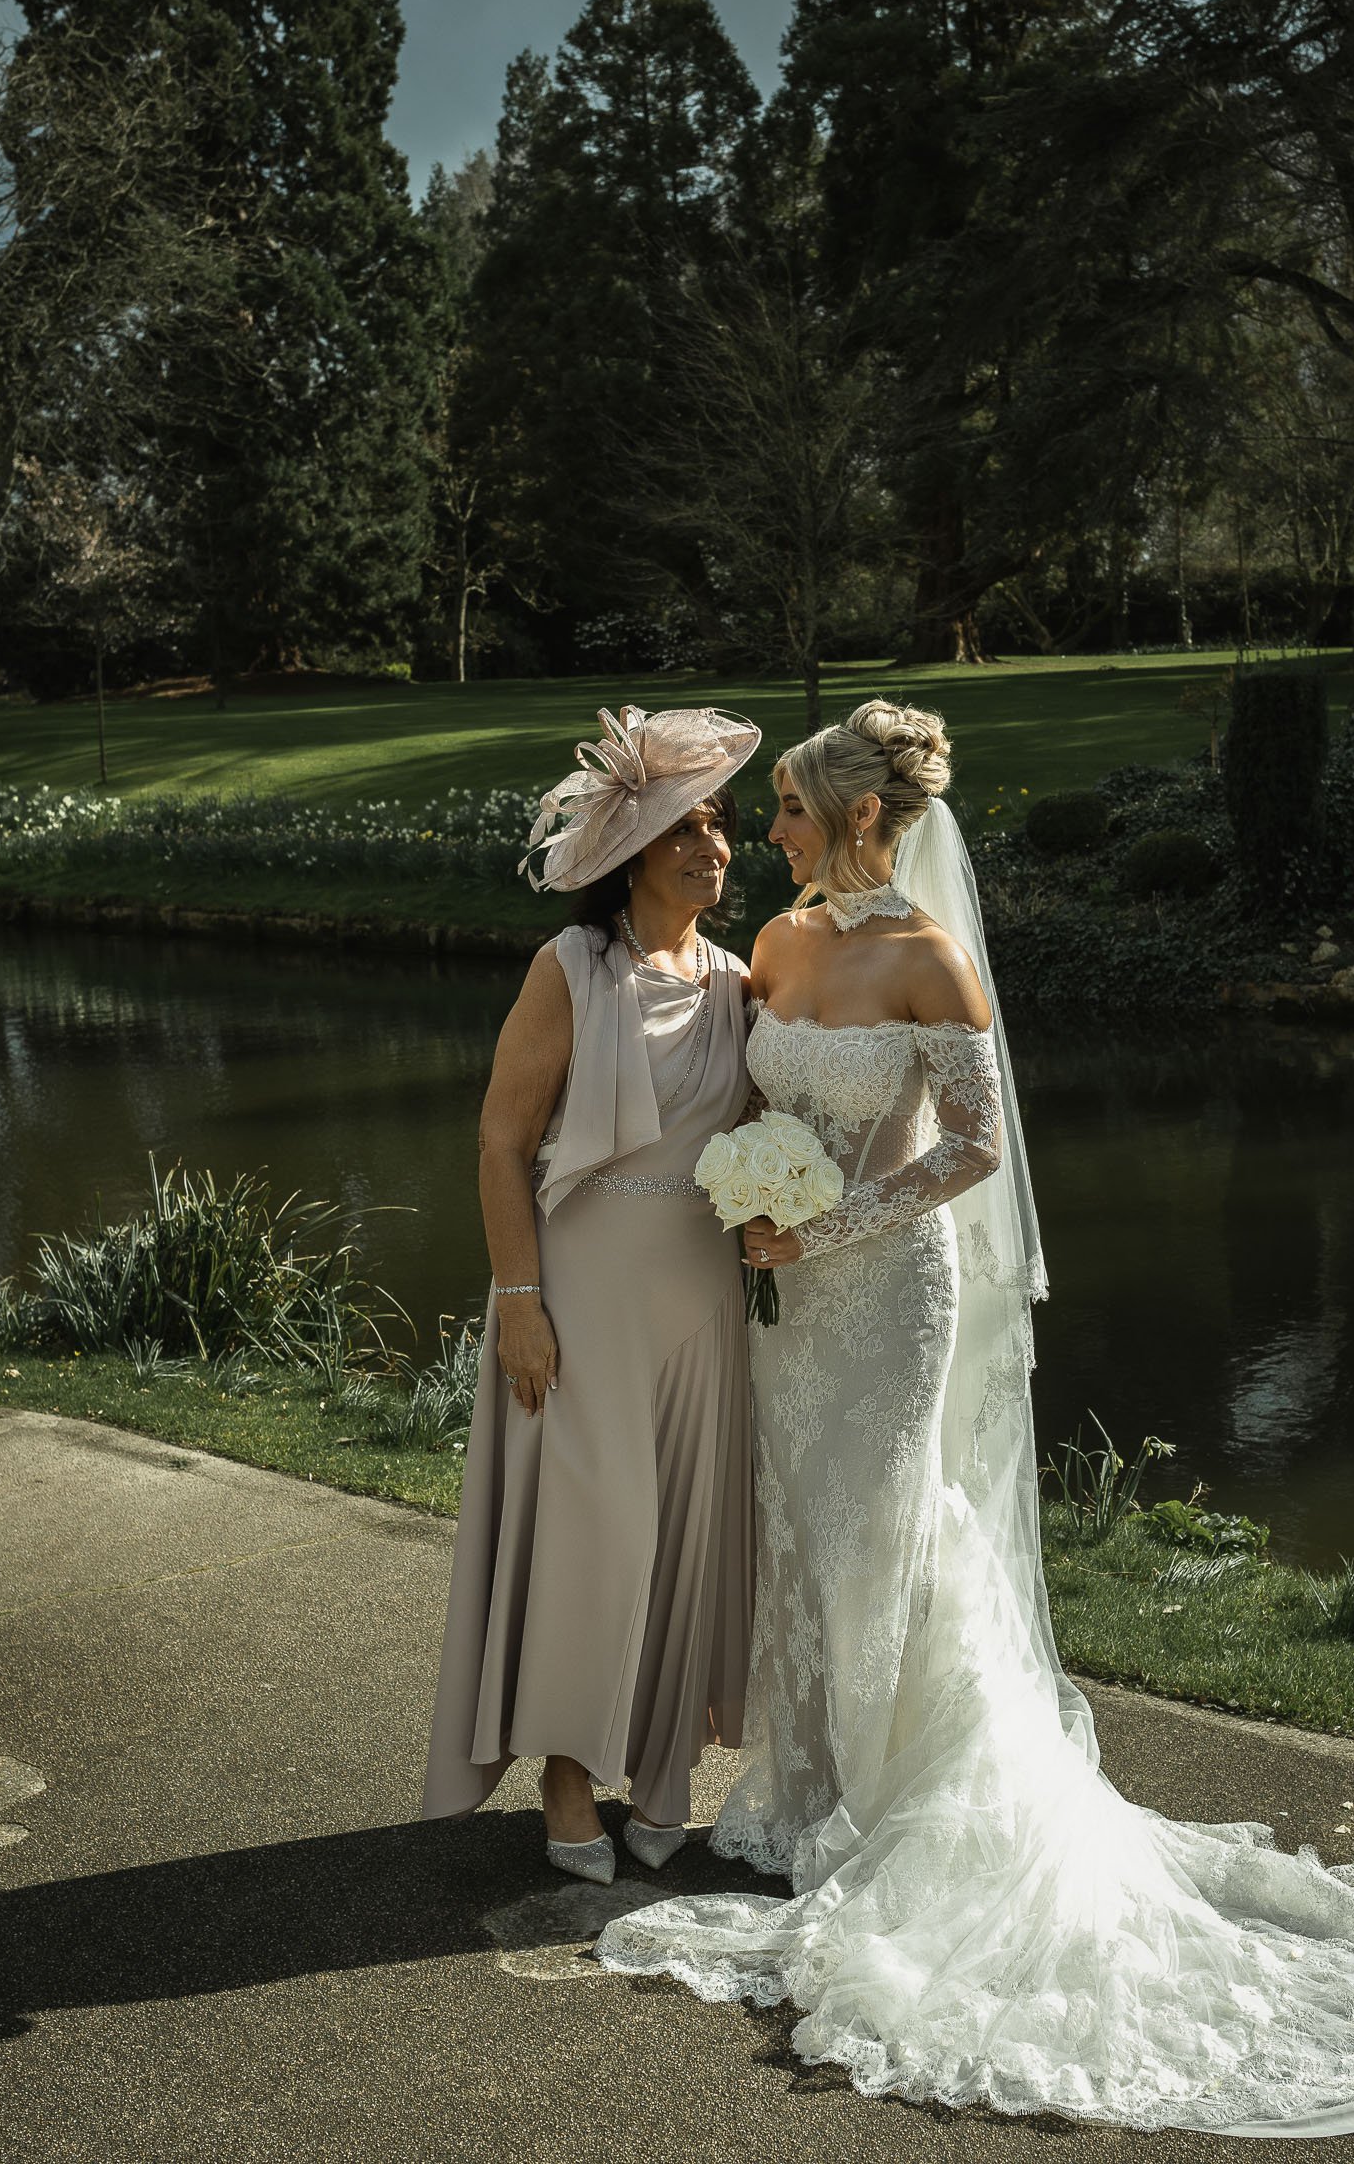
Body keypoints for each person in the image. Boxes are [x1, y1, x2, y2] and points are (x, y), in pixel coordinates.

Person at [599, 699, 1354, 2136]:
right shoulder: (778, 939)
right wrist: (737, 1200)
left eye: (792, 810)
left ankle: (892, 1801)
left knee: (880, 1522)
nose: (771, 832)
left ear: (863, 817)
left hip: (888, 1294)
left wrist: (822, 1228)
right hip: (786, 1296)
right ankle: (803, 1791)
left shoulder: (929, 958)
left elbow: (973, 1147)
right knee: (798, 1519)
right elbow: (740, 1091)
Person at [422, 704, 761, 1887]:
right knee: (593, 1536)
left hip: (704, 1300)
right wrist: (519, 1298)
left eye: (718, 826)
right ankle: (567, 1778)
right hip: (579, 1294)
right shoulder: (569, 967)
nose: (712, 847)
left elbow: (765, 1140)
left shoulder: (740, 980)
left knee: (684, 1536)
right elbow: (501, 1141)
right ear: (630, 850)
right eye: (685, 829)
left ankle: (662, 1768)